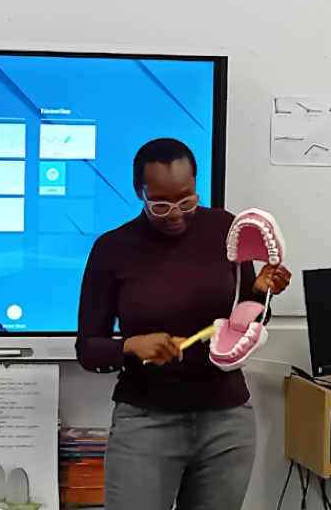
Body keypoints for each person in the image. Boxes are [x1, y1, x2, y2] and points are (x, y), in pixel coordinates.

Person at [76, 138, 291, 510]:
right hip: (145, 423)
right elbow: (88, 348)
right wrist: (131, 347)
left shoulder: (226, 228)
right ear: (139, 192)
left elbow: (246, 318)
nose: (175, 213)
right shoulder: (112, 249)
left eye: (186, 200)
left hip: (227, 422)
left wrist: (260, 291)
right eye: (160, 204)